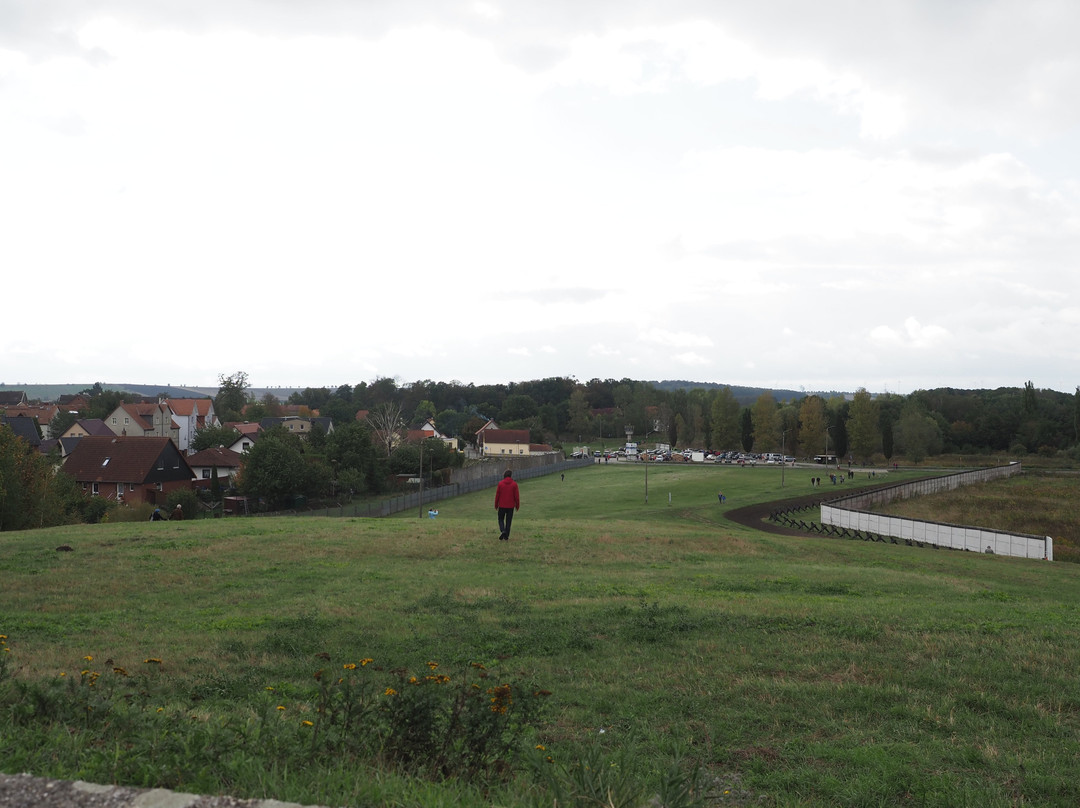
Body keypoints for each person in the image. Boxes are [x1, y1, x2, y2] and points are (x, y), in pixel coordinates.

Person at [494, 469, 520, 541]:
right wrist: (517, 506)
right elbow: (517, 497)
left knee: (500, 519)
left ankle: (503, 530)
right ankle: (506, 536)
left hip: (502, 505)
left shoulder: (500, 484)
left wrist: (496, 505)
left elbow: (497, 495)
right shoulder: (514, 484)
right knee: (508, 521)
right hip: (510, 506)